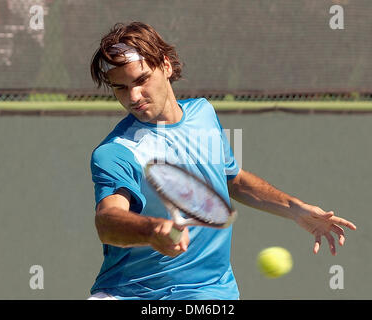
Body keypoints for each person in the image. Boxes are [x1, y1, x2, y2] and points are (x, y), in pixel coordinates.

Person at [88, 21, 356, 300]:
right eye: (120, 88)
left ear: (166, 66)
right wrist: (152, 230)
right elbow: (107, 221)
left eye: (141, 80)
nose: (133, 96)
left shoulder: (203, 114)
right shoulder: (116, 151)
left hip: (209, 292)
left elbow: (233, 180)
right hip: (128, 294)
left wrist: (295, 208)